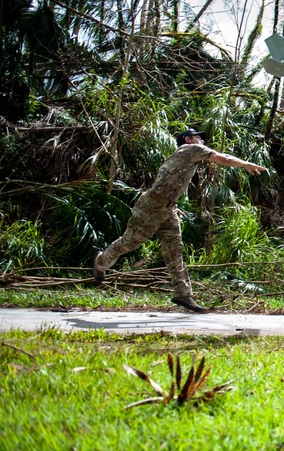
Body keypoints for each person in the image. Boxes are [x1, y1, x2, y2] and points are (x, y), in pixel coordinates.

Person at [93, 127, 268, 313]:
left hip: (167, 209)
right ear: (188, 139)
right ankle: (101, 262)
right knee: (131, 242)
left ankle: (182, 293)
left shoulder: (187, 159)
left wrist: (172, 206)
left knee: (174, 250)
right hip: (151, 207)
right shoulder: (189, 150)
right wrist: (245, 164)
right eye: (198, 138)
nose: (202, 141)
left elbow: (168, 182)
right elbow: (222, 158)